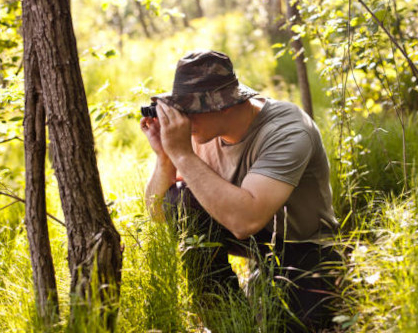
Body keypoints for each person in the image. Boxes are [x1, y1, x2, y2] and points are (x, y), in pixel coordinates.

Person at [140, 49, 341, 331]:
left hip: (303, 245)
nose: (183, 121)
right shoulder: (201, 133)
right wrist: (165, 157)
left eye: (190, 111)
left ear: (222, 105)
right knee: (179, 201)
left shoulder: (288, 130)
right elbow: (159, 212)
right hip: (255, 241)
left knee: (294, 327)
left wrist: (183, 155)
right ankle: (225, 319)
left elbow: (246, 221)